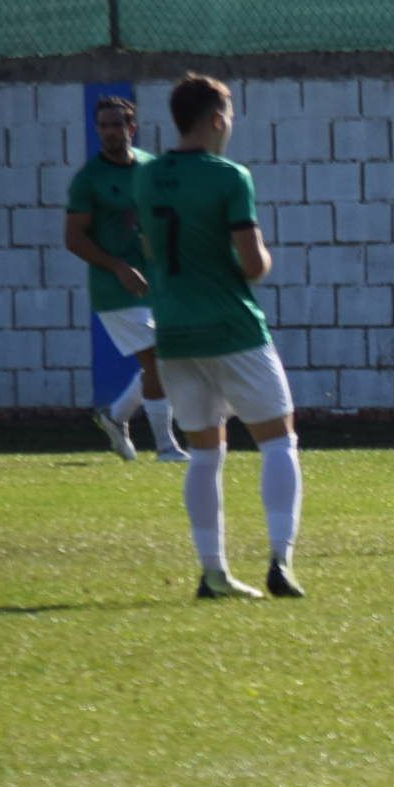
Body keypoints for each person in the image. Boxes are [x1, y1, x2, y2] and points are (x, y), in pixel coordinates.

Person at [140, 73, 306, 599]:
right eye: (228, 115)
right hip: (232, 327)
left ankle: (213, 573)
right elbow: (253, 265)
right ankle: (280, 561)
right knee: (279, 439)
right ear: (216, 118)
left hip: (173, 332)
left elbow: (149, 248)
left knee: (205, 452)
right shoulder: (230, 176)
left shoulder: (145, 176)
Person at [64, 95, 184, 463]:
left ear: (132, 128)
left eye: (117, 125)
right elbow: (73, 238)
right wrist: (117, 266)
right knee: (159, 359)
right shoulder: (88, 180)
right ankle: (165, 446)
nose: (110, 132)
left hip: (155, 283)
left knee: (168, 359)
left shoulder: (150, 167)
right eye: (103, 125)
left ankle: (116, 417)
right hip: (114, 288)